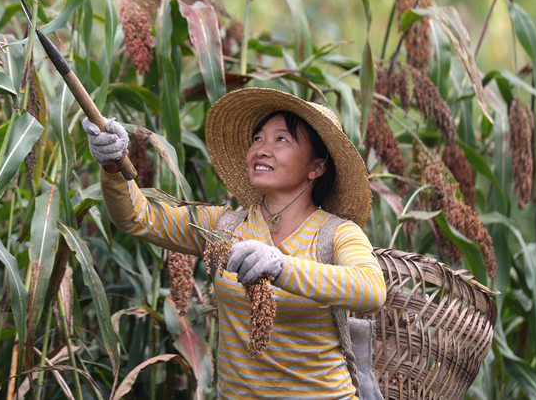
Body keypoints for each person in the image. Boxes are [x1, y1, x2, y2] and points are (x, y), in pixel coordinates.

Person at [83, 87, 386, 399]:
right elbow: (138, 217)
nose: (262, 149)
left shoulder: (336, 233)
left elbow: (370, 289)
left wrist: (281, 267)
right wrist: (112, 164)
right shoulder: (225, 227)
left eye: (281, 139)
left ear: (316, 167)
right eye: (258, 139)